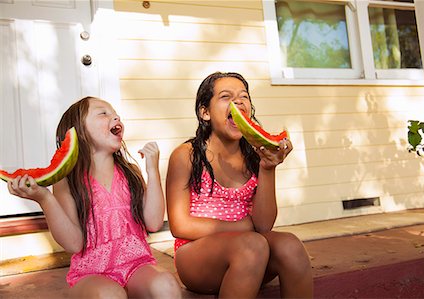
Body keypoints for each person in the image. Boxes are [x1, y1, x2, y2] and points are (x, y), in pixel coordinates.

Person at [7, 96, 181, 299]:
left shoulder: (130, 171)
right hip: (90, 273)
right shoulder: (67, 180)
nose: (115, 116)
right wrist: (45, 199)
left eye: (115, 112)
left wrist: (152, 170)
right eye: (103, 113)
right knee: (110, 295)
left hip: (136, 264)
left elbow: (153, 222)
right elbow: (74, 244)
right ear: (79, 131)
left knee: (167, 285)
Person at [166, 72, 313, 298]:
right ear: (204, 112)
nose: (238, 101)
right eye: (226, 96)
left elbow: (263, 226)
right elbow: (180, 226)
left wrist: (267, 168)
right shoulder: (186, 155)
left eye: (244, 96)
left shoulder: (254, 156)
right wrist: (243, 227)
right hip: (196, 255)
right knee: (252, 244)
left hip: (251, 251)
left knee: (291, 245)